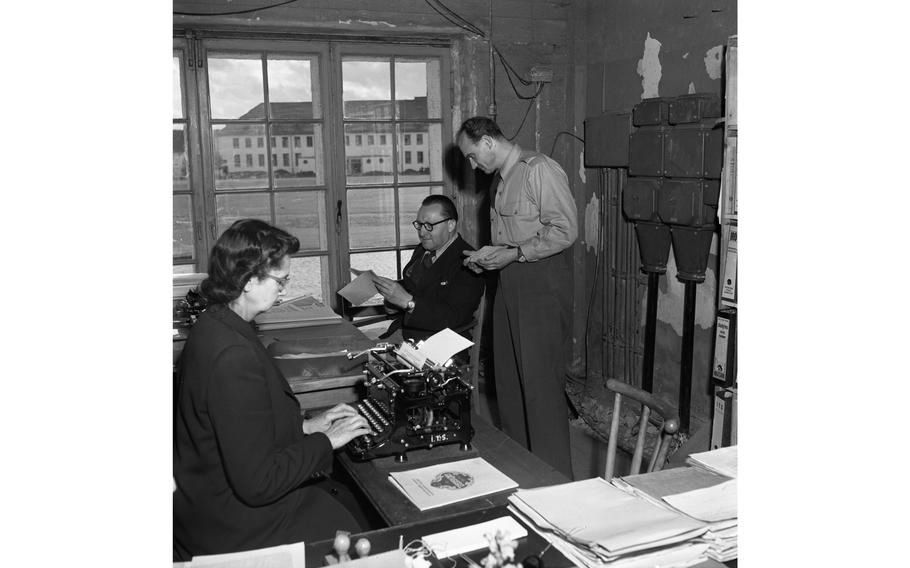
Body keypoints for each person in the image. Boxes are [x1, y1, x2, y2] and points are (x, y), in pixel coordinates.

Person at [173, 219, 372, 561]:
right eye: (281, 280)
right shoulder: (232, 356)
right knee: (359, 531)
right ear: (249, 280)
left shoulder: (215, 323)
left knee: (346, 502)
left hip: (211, 500)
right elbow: (259, 483)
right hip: (235, 522)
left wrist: (306, 426)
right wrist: (328, 440)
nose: (285, 288)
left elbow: (236, 429)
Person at [456, 116, 578, 479]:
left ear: (489, 142)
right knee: (509, 384)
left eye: (473, 155)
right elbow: (510, 240)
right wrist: (489, 259)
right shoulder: (499, 180)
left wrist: (513, 254)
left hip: (540, 285)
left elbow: (566, 230)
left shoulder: (539, 170)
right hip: (510, 283)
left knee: (540, 388)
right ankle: (523, 470)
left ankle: (555, 481)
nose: (472, 164)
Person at [373, 194, 485, 343]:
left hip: (439, 344)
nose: (422, 233)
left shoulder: (469, 262)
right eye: (419, 225)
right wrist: (392, 302)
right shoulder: (423, 250)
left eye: (429, 226)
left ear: (451, 225)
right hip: (405, 333)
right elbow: (417, 288)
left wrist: (408, 302)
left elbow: (452, 318)